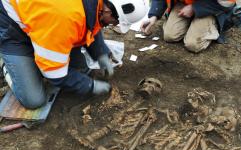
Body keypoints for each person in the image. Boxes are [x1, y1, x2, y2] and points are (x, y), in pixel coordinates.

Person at [0, 0, 148, 109]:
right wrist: (90, 86)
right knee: (34, 100)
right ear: (108, 10)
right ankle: (8, 67)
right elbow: (55, 73)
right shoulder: (65, 19)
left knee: (80, 70)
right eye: (116, 21)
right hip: (14, 28)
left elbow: (92, 24)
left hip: (47, 24)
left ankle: (38, 54)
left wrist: (101, 54)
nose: (115, 25)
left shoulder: (97, 6)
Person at [140, 0, 241, 53]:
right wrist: (153, 16)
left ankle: (231, 16)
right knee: (170, 36)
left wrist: (195, 8)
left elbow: (225, 2)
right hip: (184, 2)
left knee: (193, 44)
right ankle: (192, 21)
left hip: (212, 6)